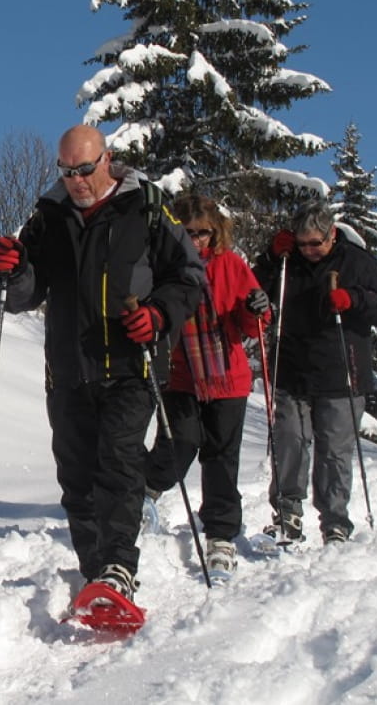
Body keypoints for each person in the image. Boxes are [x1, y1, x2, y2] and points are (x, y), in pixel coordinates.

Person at [0, 125, 204, 602]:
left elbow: (189, 277)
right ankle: (96, 576)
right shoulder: (48, 216)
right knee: (77, 477)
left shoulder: (146, 206)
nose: (77, 181)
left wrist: (159, 313)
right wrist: (12, 270)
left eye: (85, 170)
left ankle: (118, 568)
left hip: (132, 364)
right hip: (67, 370)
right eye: (67, 172)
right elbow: (25, 296)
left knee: (119, 462)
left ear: (107, 160)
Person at [251, 201, 377, 546]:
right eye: (302, 244)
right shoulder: (287, 261)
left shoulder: (356, 262)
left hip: (341, 370)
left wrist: (355, 299)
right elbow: (254, 290)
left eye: (315, 243)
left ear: (332, 234)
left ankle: (335, 521)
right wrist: (272, 257)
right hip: (292, 367)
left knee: (334, 450)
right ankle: (287, 513)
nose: (309, 251)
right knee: (289, 440)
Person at [140, 194, 269, 575]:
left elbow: (253, 326)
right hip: (180, 374)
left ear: (217, 233)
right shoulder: (163, 265)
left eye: (204, 233)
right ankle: (144, 491)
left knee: (221, 458)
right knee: (179, 443)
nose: (197, 240)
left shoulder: (231, 265)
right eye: (188, 232)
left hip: (227, 377)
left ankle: (221, 535)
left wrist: (256, 309)